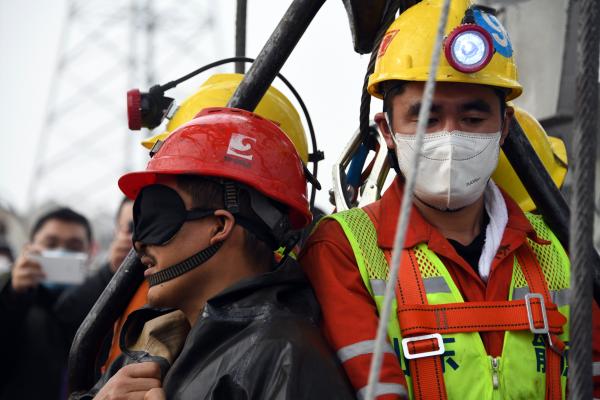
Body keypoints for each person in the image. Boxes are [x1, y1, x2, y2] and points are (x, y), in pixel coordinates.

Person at [299, 1, 600, 399]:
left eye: (473, 120)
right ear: (387, 130)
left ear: (505, 126)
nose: (450, 138)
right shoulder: (344, 249)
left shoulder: (559, 249)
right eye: (426, 119)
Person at [75, 107, 353, 400]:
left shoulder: (284, 357)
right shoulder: (153, 346)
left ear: (220, 225)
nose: (140, 244)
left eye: (158, 216)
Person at [0, 207, 97, 399]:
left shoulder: (100, 304)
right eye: (50, 244)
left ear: (89, 253)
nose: (61, 252)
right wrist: (14, 294)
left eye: (74, 246)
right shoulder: (11, 299)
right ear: (29, 248)